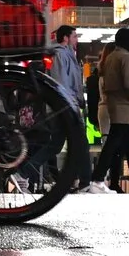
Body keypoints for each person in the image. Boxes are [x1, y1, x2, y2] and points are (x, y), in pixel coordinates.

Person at [95, 26, 129, 190]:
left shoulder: (110, 57)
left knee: (128, 145)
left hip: (113, 103)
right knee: (113, 143)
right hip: (124, 104)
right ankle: (96, 178)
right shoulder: (126, 57)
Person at [50, 25, 95, 191]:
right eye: (75, 36)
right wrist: (71, 104)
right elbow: (61, 83)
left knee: (59, 144)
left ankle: (83, 181)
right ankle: (85, 182)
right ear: (65, 38)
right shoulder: (61, 55)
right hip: (66, 106)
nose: (77, 40)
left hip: (69, 105)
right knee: (79, 144)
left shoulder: (69, 56)